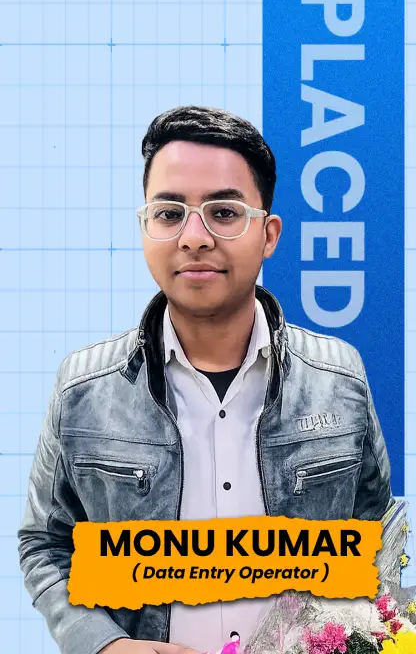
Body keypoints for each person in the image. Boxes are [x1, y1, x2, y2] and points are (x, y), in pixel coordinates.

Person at [18, 106, 393, 654]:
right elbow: (47, 545)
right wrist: (104, 643)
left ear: (268, 235)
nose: (194, 237)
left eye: (223, 212)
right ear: (145, 229)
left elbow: (375, 541)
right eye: (170, 213)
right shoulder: (85, 390)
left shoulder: (338, 378)